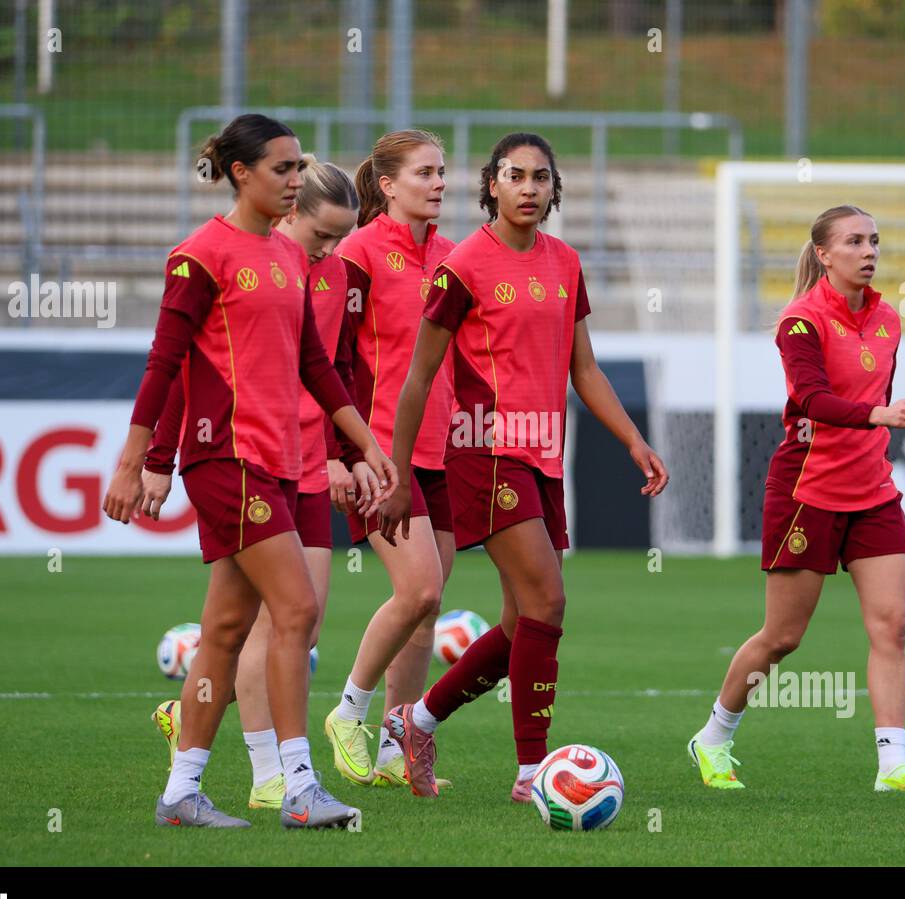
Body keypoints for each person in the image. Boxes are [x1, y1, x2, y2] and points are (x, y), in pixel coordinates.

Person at [102, 114, 397, 829]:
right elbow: (163, 364)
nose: (296, 180)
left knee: (226, 633)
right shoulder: (200, 254)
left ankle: (182, 792)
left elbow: (315, 367)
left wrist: (365, 446)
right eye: (283, 169)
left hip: (273, 462)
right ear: (241, 172)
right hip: (224, 459)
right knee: (297, 611)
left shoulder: (291, 258)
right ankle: (297, 786)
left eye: (299, 168)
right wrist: (136, 461)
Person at [376, 132, 669, 800]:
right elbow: (419, 376)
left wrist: (632, 439)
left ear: (554, 187)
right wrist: (397, 472)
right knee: (549, 601)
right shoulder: (465, 266)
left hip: (542, 455)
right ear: (493, 185)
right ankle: (533, 772)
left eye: (542, 177)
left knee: (520, 625)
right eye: (516, 176)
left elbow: (583, 367)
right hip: (485, 452)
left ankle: (416, 720)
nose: (530, 188)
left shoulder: (565, 263)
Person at [686, 204, 905, 794]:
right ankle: (713, 738)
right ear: (824, 254)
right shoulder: (800, 321)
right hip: (807, 492)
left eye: (874, 241)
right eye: (854, 241)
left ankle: (893, 766)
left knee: (894, 624)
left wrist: (876, 424)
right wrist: (878, 414)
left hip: (874, 493)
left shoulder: (887, 318)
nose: (868, 251)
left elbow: (869, 392)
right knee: (782, 637)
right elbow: (810, 398)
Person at [320, 130, 459, 791]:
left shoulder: (454, 257)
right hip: (381, 452)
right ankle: (349, 712)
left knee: (427, 611)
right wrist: (340, 456)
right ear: (387, 185)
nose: (439, 183)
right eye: (426, 173)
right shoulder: (357, 253)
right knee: (420, 590)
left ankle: (392, 751)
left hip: (445, 450)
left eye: (442, 172)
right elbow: (330, 364)